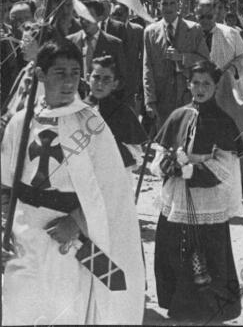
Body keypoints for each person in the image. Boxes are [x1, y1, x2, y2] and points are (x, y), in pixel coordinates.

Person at [1, 39, 144, 324]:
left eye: (75, 73)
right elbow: (5, 185)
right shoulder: (20, 121)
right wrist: (4, 228)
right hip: (24, 235)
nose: (69, 82)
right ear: (41, 75)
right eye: (60, 73)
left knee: (63, 312)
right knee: (20, 308)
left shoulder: (91, 125)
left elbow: (112, 190)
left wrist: (76, 222)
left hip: (67, 238)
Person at [153, 60, 243, 322]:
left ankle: (208, 308)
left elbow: (224, 167)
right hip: (177, 196)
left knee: (208, 253)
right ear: (188, 84)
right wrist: (167, 164)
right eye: (196, 83)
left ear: (216, 86)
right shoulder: (177, 115)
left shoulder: (223, 121)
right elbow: (160, 154)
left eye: (207, 83)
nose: (200, 88)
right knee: (172, 248)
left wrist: (190, 171)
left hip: (206, 199)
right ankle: (176, 302)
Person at [143, 0, 209, 128]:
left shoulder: (194, 29)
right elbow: (147, 68)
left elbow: (205, 62)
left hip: (187, 96)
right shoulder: (150, 32)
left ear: (178, 5)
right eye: (164, 4)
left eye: (172, 3)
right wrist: (150, 101)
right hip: (162, 100)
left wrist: (182, 57)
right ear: (159, 6)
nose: (168, 7)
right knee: (163, 143)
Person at [84, 55, 146, 170]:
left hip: (115, 175)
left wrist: (107, 144)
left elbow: (136, 156)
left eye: (106, 79)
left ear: (115, 84)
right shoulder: (77, 109)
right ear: (87, 78)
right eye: (96, 77)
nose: (100, 84)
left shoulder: (123, 112)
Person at [67, 0, 127, 95]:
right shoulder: (70, 42)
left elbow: (122, 78)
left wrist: (104, 87)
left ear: (100, 18)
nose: (84, 21)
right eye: (82, 17)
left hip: (103, 103)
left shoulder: (114, 44)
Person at [110, 2, 144, 114]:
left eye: (120, 14)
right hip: (113, 84)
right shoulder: (109, 31)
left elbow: (143, 58)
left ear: (127, 14)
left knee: (130, 117)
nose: (117, 17)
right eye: (114, 14)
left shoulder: (138, 31)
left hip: (131, 83)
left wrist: (140, 82)